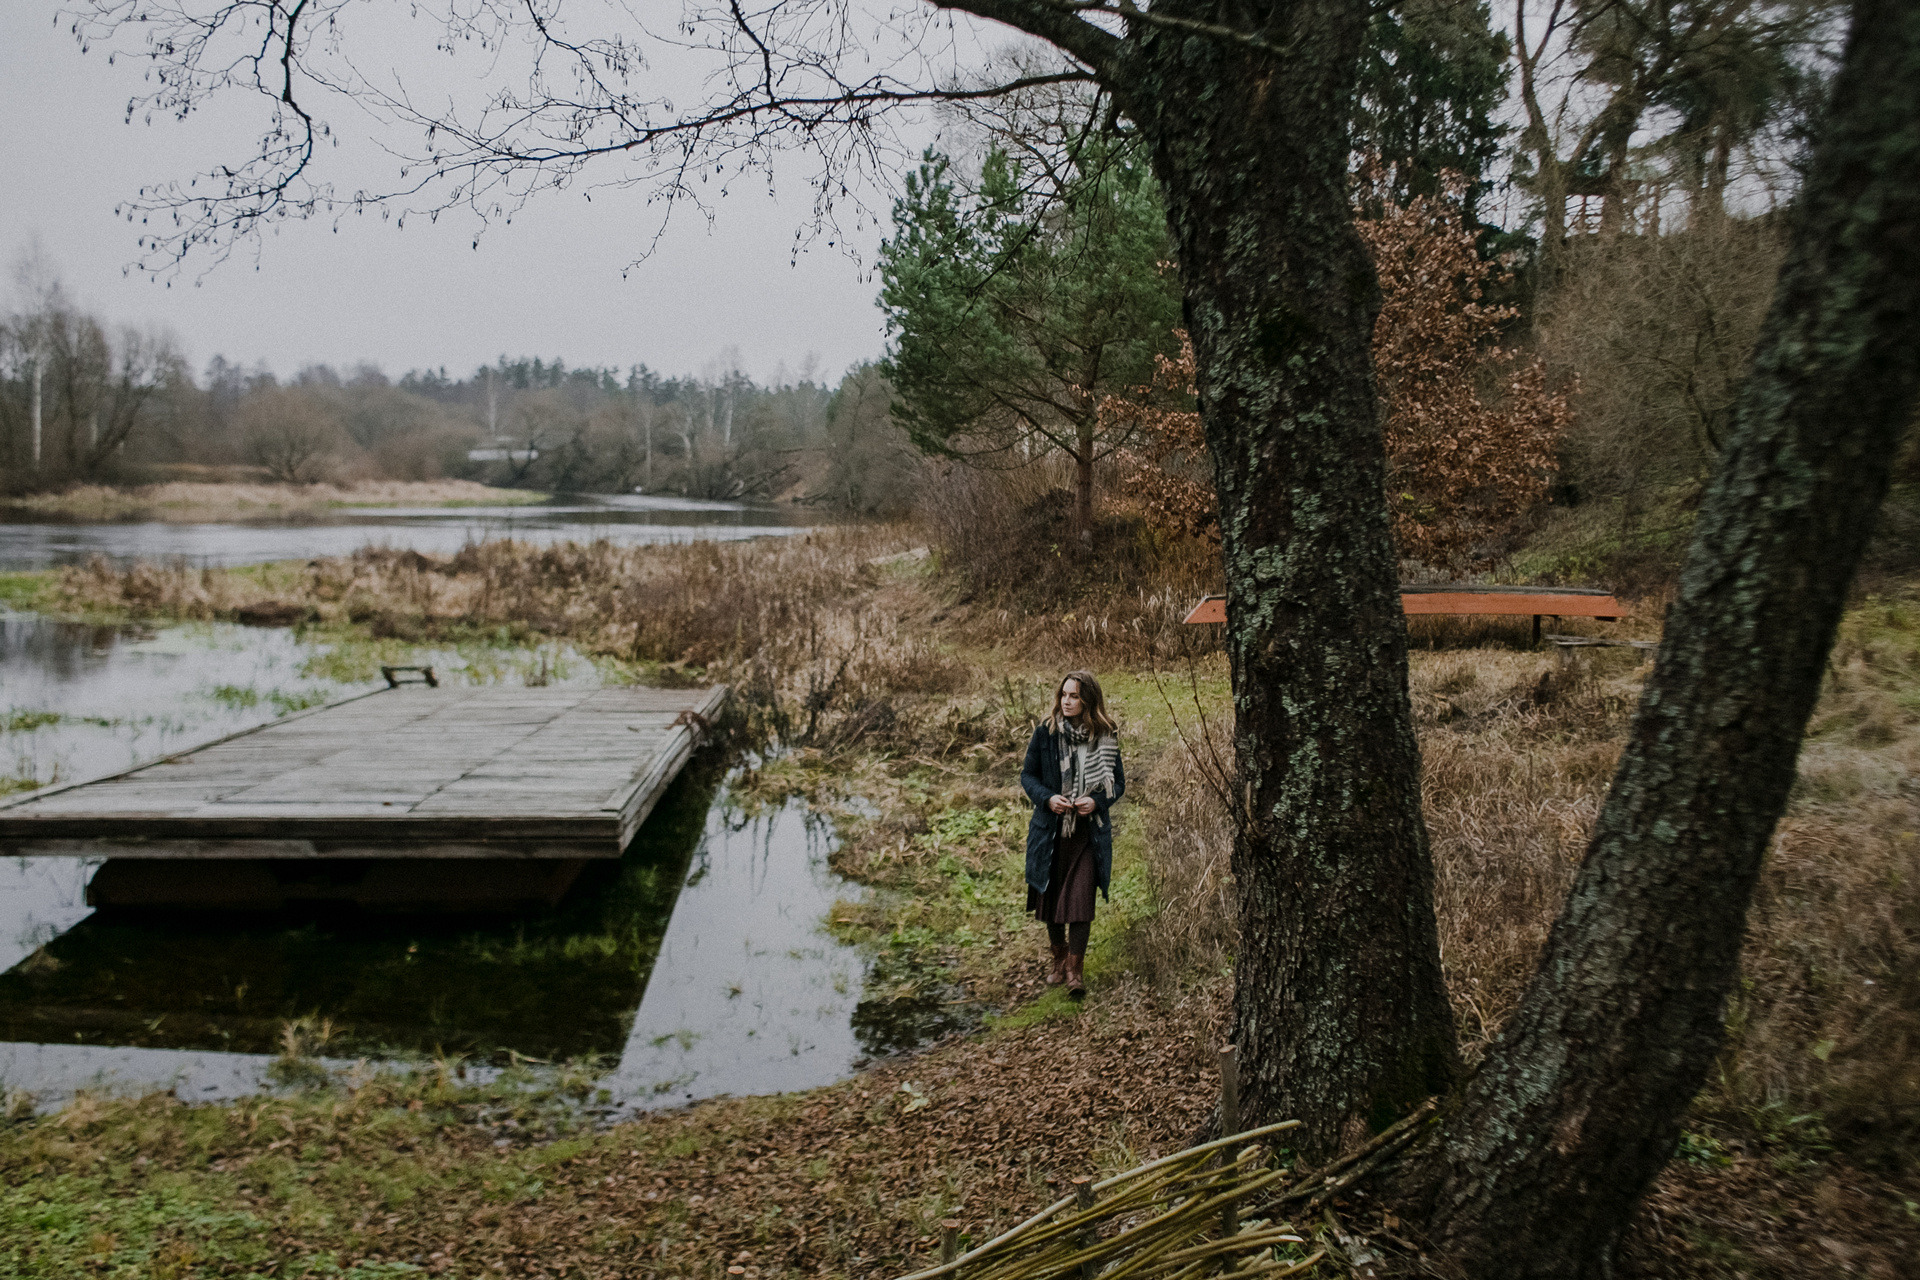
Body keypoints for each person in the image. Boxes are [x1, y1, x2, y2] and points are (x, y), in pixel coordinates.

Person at [1021, 670, 1126, 999]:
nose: (1067, 701)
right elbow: (1028, 776)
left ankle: (1075, 971)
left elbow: (1118, 783)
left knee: (1080, 901)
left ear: (1088, 700)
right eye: (1064, 695)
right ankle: (1058, 960)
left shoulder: (1105, 736)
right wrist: (1047, 798)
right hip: (1051, 833)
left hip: (1087, 836)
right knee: (1051, 899)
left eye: (1074, 696)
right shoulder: (1046, 732)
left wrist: (1095, 802)